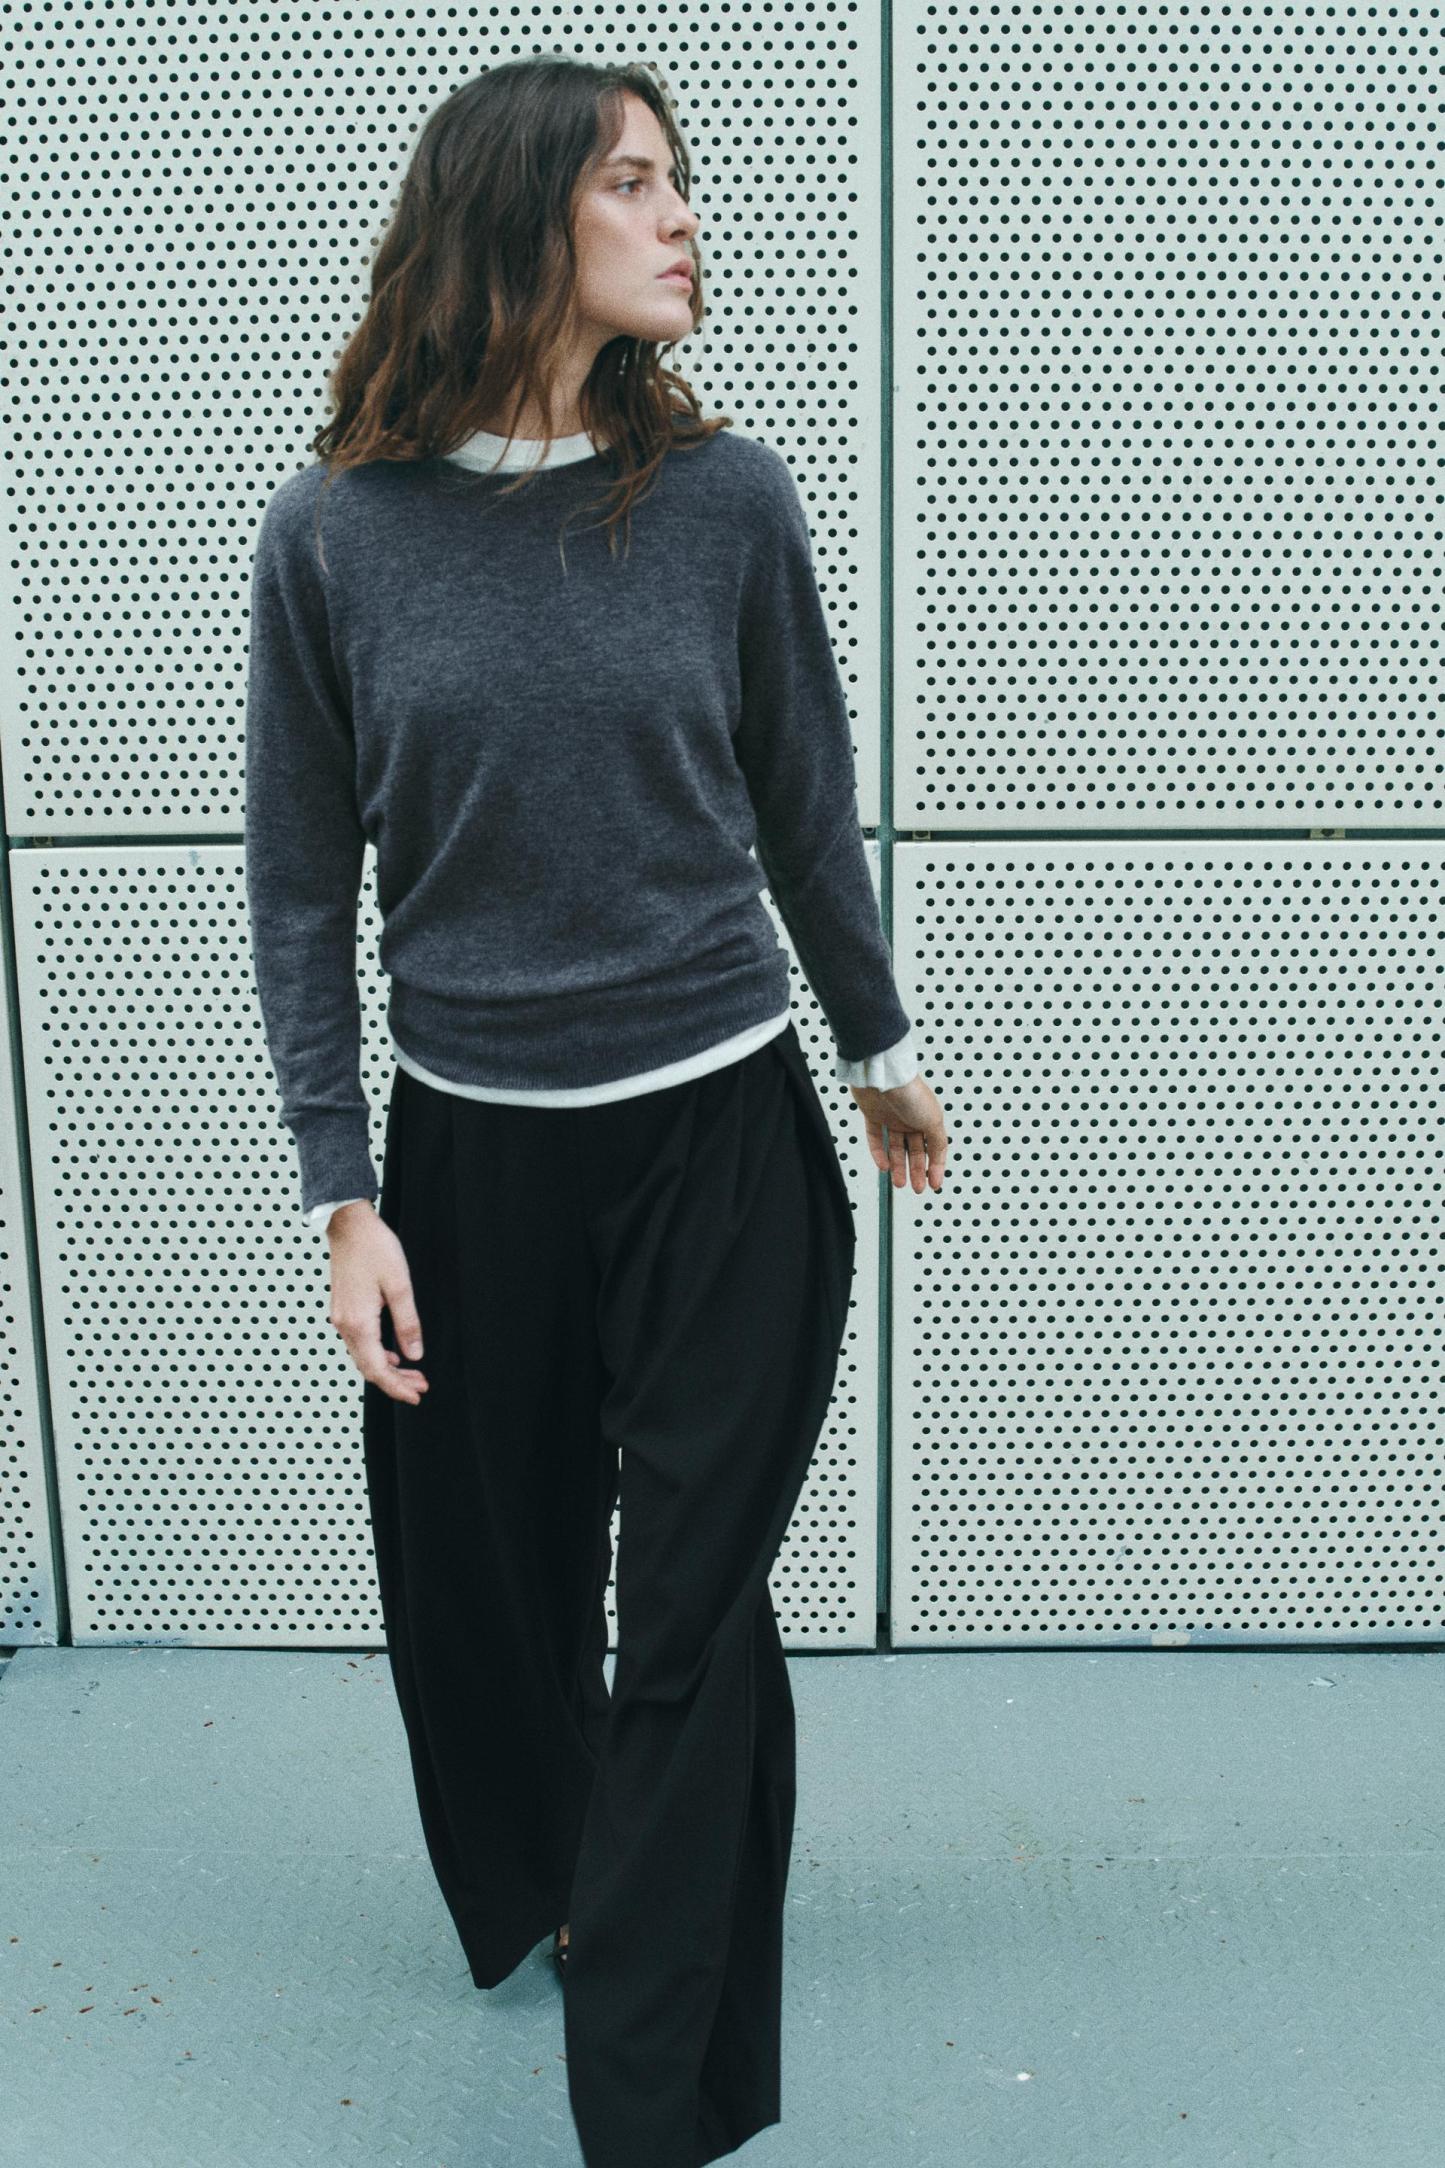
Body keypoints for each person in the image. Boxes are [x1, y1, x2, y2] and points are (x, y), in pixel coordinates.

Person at [243, 51, 947, 2168]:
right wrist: (343, 1197)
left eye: (679, 180)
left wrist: (877, 1046)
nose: (680, 216)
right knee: (491, 1596)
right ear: (518, 213)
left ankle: (653, 2098)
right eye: (633, 182)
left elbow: (804, 801)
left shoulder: (728, 502)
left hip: (722, 1137)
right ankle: (555, 1876)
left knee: (693, 1617)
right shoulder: (336, 531)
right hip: (473, 1155)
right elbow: (297, 884)